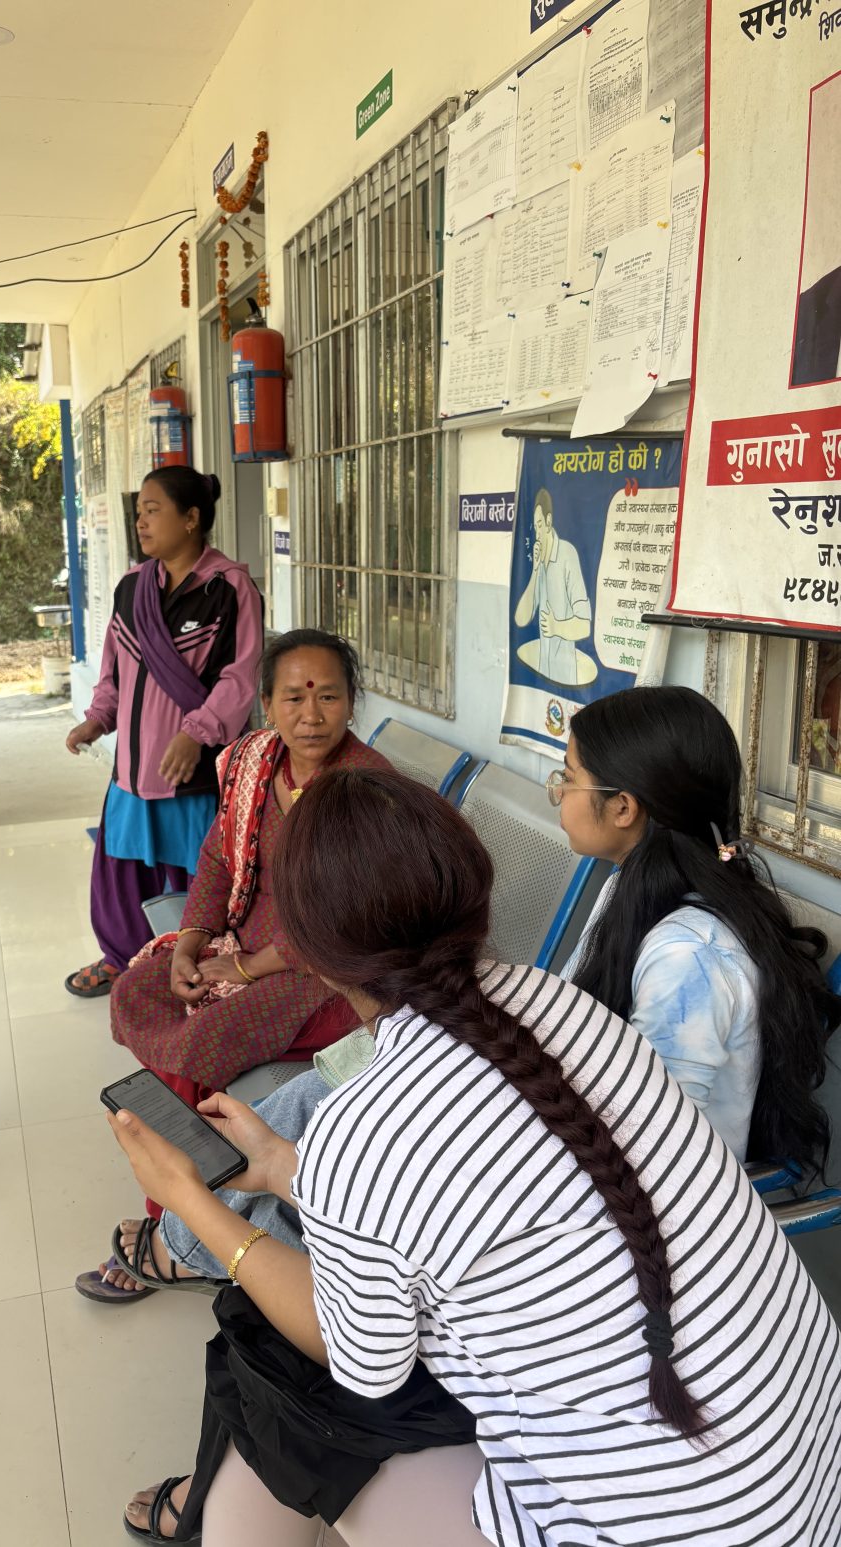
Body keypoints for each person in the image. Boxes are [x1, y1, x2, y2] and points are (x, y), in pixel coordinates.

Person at [109, 766, 841, 1547]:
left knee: (261, 1346)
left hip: (651, 1525)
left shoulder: (369, 1125)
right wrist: (288, 1168)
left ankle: (215, 1522)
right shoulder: (564, 1009)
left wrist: (196, 1204)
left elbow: (358, 1361)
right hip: (803, 1480)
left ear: (312, 954)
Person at [76, 629, 391, 1302]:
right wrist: (193, 939)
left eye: (330, 695)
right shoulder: (255, 762)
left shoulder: (366, 787)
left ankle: (180, 1228)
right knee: (143, 988)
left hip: (328, 974)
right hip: (246, 947)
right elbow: (219, 857)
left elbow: (347, 918)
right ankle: (184, 1189)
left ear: (352, 701)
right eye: (294, 697)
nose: (312, 714)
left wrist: (243, 970)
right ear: (266, 704)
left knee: (194, 1040)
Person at [556, 685, 837, 1173]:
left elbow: (648, 1143)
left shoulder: (689, 956)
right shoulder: (633, 888)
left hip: (662, 1208)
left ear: (623, 807)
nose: (558, 790)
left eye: (569, 776)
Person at [65, 467, 262, 998]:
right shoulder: (133, 588)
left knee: (194, 880)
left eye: (153, 510)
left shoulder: (229, 589)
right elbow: (114, 670)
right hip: (130, 769)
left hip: (194, 774)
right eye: (139, 512)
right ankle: (122, 960)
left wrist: (196, 733)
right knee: (122, 875)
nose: (141, 521)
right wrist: (98, 717)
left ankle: (193, 971)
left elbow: (240, 676)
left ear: (192, 518)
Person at [512, 486, 593, 686]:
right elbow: (521, 619)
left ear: (548, 522)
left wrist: (556, 626)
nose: (537, 532)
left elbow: (584, 626)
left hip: (566, 678)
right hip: (544, 673)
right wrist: (535, 570)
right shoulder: (541, 564)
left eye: (539, 525)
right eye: (534, 526)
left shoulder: (567, 555)